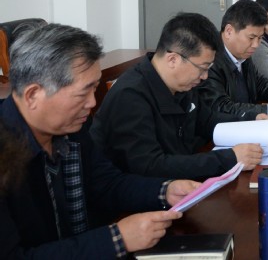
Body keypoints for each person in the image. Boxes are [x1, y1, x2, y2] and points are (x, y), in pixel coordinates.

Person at [0, 23, 199, 259]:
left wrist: (165, 191)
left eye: (94, 89)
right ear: (33, 95)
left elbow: (106, 183)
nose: (92, 103)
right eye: (82, 93)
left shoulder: (71, 126)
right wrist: (116, 239)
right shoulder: (5, 154)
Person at [91, 13, 265, 180]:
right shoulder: (130, 96)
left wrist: (251, 120)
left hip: (180, 180)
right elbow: (151, 166)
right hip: (145, 192)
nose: (205, 76)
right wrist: (229, 158)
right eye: (202, 68)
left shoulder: (182, 84)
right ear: (173, 60)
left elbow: (208, 121)